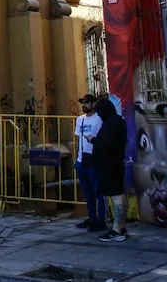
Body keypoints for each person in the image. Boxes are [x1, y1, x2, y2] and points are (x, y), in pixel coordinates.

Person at [90, 98, 129, 242]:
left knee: (116, 195)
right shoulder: (118, 121)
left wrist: (92, 140)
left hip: (110, 165)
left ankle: (117, 230)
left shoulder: (111, 124)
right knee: (119, 194)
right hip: (115, 163)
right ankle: (120, 227)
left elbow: (105, 145)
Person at [74, 94, 106, 231]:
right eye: (82, 103)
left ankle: (100, 220)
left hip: (94, 160)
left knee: (98, 192)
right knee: (87, 193)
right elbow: (78, 139)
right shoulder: (79, 119)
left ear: (93, 104)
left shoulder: (99, 119)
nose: (84, 105)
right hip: (82, 161)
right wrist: (77, 159)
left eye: (86, 103)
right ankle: (91, 217)